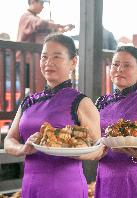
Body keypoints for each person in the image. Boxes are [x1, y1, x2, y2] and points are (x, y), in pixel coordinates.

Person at [4, 33, 103, 198]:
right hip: (30, 186)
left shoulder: (81, 102)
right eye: (44, 57)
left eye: (56, 57)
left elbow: (98, 149)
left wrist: (73, 151)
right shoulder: (29, 101)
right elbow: (9, 140)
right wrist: (23, 148)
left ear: (73, 62)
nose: (48, 62)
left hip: (65, 188)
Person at [94, 46, 137, 198]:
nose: (119, 69)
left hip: (132, 178)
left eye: (127, 65)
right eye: (115, 64)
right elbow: (93, 140)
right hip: (104, 176)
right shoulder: (101, 102)